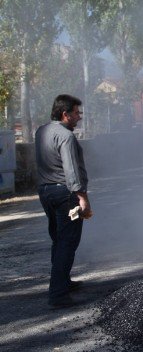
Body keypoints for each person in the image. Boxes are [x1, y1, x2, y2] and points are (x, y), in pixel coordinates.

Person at [35, 94, 93, 308]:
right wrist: (82, 197)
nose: (80, 117)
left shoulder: (41, 131)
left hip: (46, 192)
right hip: (66, 196)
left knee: (58, 239)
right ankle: (58, 295)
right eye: (77, 113)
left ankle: (63, 282)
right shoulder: (66, 136)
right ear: (65, 114)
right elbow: (71, 169)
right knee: (68, 241)